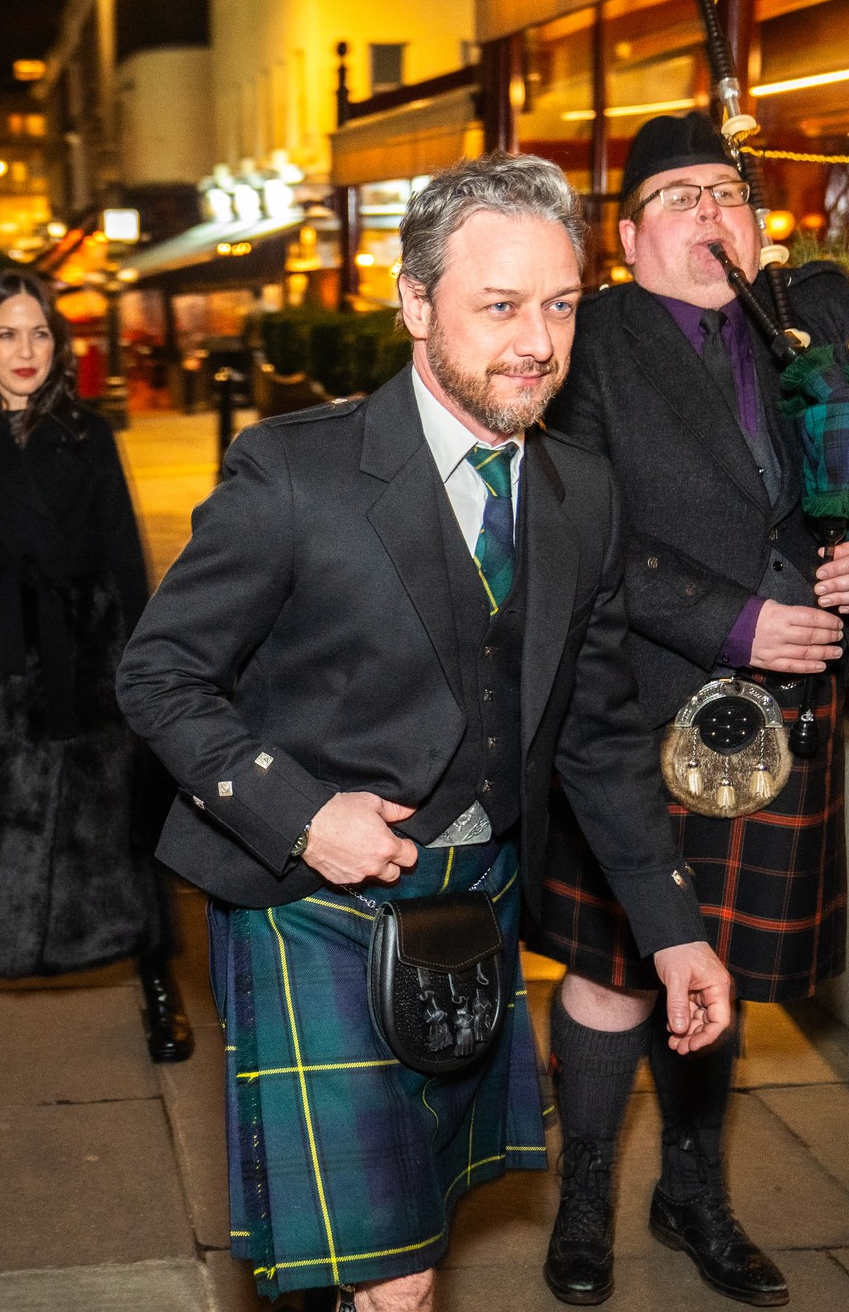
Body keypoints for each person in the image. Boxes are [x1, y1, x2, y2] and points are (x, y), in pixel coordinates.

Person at [116, 153, 735, 1312]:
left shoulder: (579, 492)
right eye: (497, 306)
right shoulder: (293, 474)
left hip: (478, 898)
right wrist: (299, 813)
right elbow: (158, 672)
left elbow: (595, 731)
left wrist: (670, 928)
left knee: (408, 1233)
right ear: (413, 304)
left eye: (558, 306)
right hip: (313, 906)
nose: (536, 344)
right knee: (394, 1274)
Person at [531, 113, 849, 1307]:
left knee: (720, 961)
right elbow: (565, 533)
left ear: (757, 219)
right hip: (625, 705)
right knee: (612, 970)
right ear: (627, 238)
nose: (708, 214)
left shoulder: (823, 315)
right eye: (676, 199)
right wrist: (723, 619)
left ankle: (690, 1192)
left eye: (726, 194)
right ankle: (581, 1193)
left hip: (777, 719)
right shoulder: (581, 347)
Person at [0, 268, 192, 1083]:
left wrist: (151, 676)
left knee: (116, 829)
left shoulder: (89, 435)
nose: (25, 351)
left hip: (87, 659)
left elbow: (126, 560)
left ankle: (154, 976)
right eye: (6, 334)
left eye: (39, 333)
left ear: (58, 343)